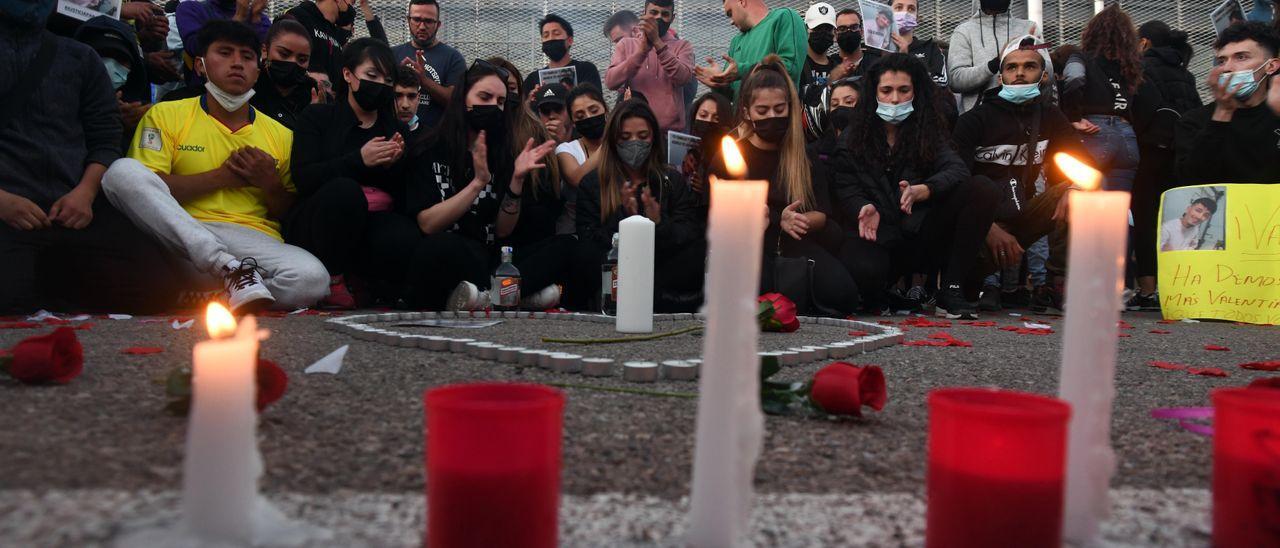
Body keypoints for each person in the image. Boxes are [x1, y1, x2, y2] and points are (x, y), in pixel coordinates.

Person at [101, 20, 328, 313]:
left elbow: (288, 211)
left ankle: (214, 297)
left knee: (312, 280)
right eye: (224, 53)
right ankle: (227, 270)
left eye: (247, 57)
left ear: (258, 70)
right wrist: (222, 178)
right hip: (183, 238)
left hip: (253, 242)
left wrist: (268, 182)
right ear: (200, 66)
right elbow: (148, 188)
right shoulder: (166, 115)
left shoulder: (282, 134)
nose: (237, 64)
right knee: (121, 172)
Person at [0, 0, 182, 313]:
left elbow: (105, 138)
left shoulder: (80, 57)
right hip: (8, 210)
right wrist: (3, 202)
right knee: (10, 298)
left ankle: (47, 276)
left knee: (157, 289)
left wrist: (84, 194)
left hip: (75, 208)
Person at [833, 53, 995, 319]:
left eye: (903, 90)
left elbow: (957, 170)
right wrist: (863, 207)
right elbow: (845, 185)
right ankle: (884, 294)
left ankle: (951, 290)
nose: (895, 99)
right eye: (886, 90)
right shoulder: (853, 137)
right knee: (862, 271)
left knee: (982, 189)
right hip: (878, 236)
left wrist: (925, 189)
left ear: (915, 92)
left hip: (921, 234)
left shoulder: (928, 131)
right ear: (874, 93)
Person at [403, 60, 558, 310]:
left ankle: (489, 296)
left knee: (566, 247)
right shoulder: (429, 149)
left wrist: (516, 180)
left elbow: (503, 230)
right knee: (440, 248)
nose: (493, 107)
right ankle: (512, 295)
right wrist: (478, 183)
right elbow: (428, 224)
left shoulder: (502, 154)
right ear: (463, 98)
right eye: (485, 97)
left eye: (500, 102)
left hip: (490, 258)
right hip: (448, 253)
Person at [952, 36, 1091, 315]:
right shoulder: (974, 119)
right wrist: (987, 229)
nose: (1019, 73)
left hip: (1022, 213)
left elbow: (1081, 161)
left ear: (1042, 76)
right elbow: (954, 183)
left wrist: (1073, 189)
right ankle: (977, 285)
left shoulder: (1051, 117)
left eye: (1029, 66)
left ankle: (1055, 285)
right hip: (975, 226)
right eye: (1011, 67)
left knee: (1081, 194)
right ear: (1001, 77)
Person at [713, 56, 858, 315]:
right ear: (746, 111)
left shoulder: (804, 155)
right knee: (761, 293)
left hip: (793, 242)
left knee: (843, 293)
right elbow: (712, 215)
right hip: (748, 244)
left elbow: (821, 214)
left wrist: (792, 220)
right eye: (763, 111)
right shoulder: (729, 154)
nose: (772, 117)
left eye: (779, 110)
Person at [287, 38, 408, 309]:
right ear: (348, 75)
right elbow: (303, 178)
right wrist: (359, 160)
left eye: (388, 80)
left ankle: (372, 283)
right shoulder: (318, 118)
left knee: (401, 232)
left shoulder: (393, 129)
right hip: (318, 221)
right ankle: (333, 278)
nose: (380, 86)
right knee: (345, 192)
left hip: (370, 222)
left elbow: (403, 193)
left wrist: (392, 167)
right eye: (372, 75)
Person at [575, 100, 704, 311]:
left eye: (643, 137)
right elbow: (589, 240)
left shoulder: (670, 180)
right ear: (614, 140)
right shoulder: (593, 183)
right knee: (579, 253)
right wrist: (623, 219)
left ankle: (654, 297)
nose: (635, 143)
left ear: (653, 138)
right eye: (625, 138)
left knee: (701, 249)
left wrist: (658, 222)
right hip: (616, 268)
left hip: (662, 267)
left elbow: (688, 232)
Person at [1128, 20, 1202, 311]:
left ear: (1144, 43)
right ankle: (1180, 288)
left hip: (1150, 152)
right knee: (1178, 219)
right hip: (1181, 153)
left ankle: (1148, 291)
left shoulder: (1141, 68)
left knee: (1146, 219)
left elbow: (1141, 110)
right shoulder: (1187, 74)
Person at [1175, 22, 1280, 186]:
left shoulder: (1276, 114)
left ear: (1271, 66)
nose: (1227, 68)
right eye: (1222, 60)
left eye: (1241, 57)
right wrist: (1222, 113)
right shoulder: (1195, 121)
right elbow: (1190, 181)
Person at [1060, 5, 1149, 193]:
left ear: (1092, 32)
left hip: (1095, 132)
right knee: (1119, 209)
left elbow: (1074, 78)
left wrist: (1073, 117)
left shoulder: (1082, 57)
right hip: (1127, 137)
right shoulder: (1131, 65)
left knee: (1083, 203)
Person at [604, 0, 694, 134]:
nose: (659, 18)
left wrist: (657, 43)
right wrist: (641, 52)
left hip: (670, 132)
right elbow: (611, 82)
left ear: (672, 18)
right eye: (653, 12)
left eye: (665, 14)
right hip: (636, 131)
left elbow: (683, 78)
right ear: (644, 14)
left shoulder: (683, 46)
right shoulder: (626, 44)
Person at [947, 0, 1044, 114]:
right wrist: (994, 64)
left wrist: (1032, 57)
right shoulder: (964, 31)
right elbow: (956, 80)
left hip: (1026, 113)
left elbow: (1048, 74)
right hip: (980, 119)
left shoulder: (1029, 28)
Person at [694, 0, 806, 98]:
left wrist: (742, 71)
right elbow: (734, 96)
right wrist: (718, 83)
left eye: (730, 13)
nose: (731, 22)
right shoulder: (736, 41)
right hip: (742, 121)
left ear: (742, 1)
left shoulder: (783, 17)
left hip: (776, 118)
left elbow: (791, 69)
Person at [74, 15, 152, 152]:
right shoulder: (53, 100)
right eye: (100, 55)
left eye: (120, 58)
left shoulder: (141, 114)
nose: (109, 65)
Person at [392, 0, 466, 130]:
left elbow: (457, 101)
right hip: (395, 137)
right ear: (408, 20)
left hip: (436, 140)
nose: (421, 26)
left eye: (428, 21)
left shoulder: (453, 58)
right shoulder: (393, 54)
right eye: (416, 19)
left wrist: (423, 79)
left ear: (438, 25)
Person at [285, 0, 384, 82]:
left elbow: (383, 49)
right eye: (352, 2)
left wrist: (365, 7)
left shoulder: (336, 33)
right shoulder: (300, 17)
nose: (351, 8)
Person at [250, 19, 314, 129]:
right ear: (265, 51)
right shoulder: (247, 89)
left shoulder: (314, 94)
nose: (293, 62)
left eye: (302, 59)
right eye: (284, 54)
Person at [522, 14, 603, 97]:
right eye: (546, 35)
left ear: (570, 40)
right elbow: (523, 107)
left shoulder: (586, 70)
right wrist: (531, 100)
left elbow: (596, 101)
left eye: (556, 34)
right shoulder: (533, 78)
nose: (551, 38)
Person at [176, 0, 271, 67]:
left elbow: (267, 53)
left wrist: (256, 19)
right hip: (203, 89)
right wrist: (239, 18)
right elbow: (194, 46)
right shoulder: (191, 9)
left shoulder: (259, 18)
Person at [799, 2, 839, 142]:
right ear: (806, 30)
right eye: (817, 28)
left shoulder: (838, 65)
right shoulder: (798, 64)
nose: (823, 33)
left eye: (827, 29)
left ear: (834, 33)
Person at [890, 0, 947, 88]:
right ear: (888, 14)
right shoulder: (875, 51)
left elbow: (941, 83)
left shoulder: (930, 49)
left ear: (917, 18)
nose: (905, 12)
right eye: (899, 7)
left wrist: (906, 61)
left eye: (911, 9)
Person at [393, 65, 424, 135]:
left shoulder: (432, 139)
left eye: (411, 96)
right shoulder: (377, 136)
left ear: (418, 99)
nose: (405, 105)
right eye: (398, 96)